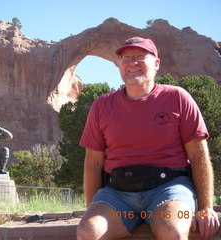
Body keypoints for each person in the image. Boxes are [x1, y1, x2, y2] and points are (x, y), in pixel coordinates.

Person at [77, 37, 220, 240]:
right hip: (118, 195)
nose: (132, 63)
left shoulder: (178, 98)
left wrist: (206, 208)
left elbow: (198, 156)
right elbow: (93, 163)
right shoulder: (102, 106)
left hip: (169, 189)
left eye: (140, 56)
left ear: (156, 64)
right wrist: (92, 208)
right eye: (126, 58)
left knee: (174, 232)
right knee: (88, 232)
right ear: (119, 65)